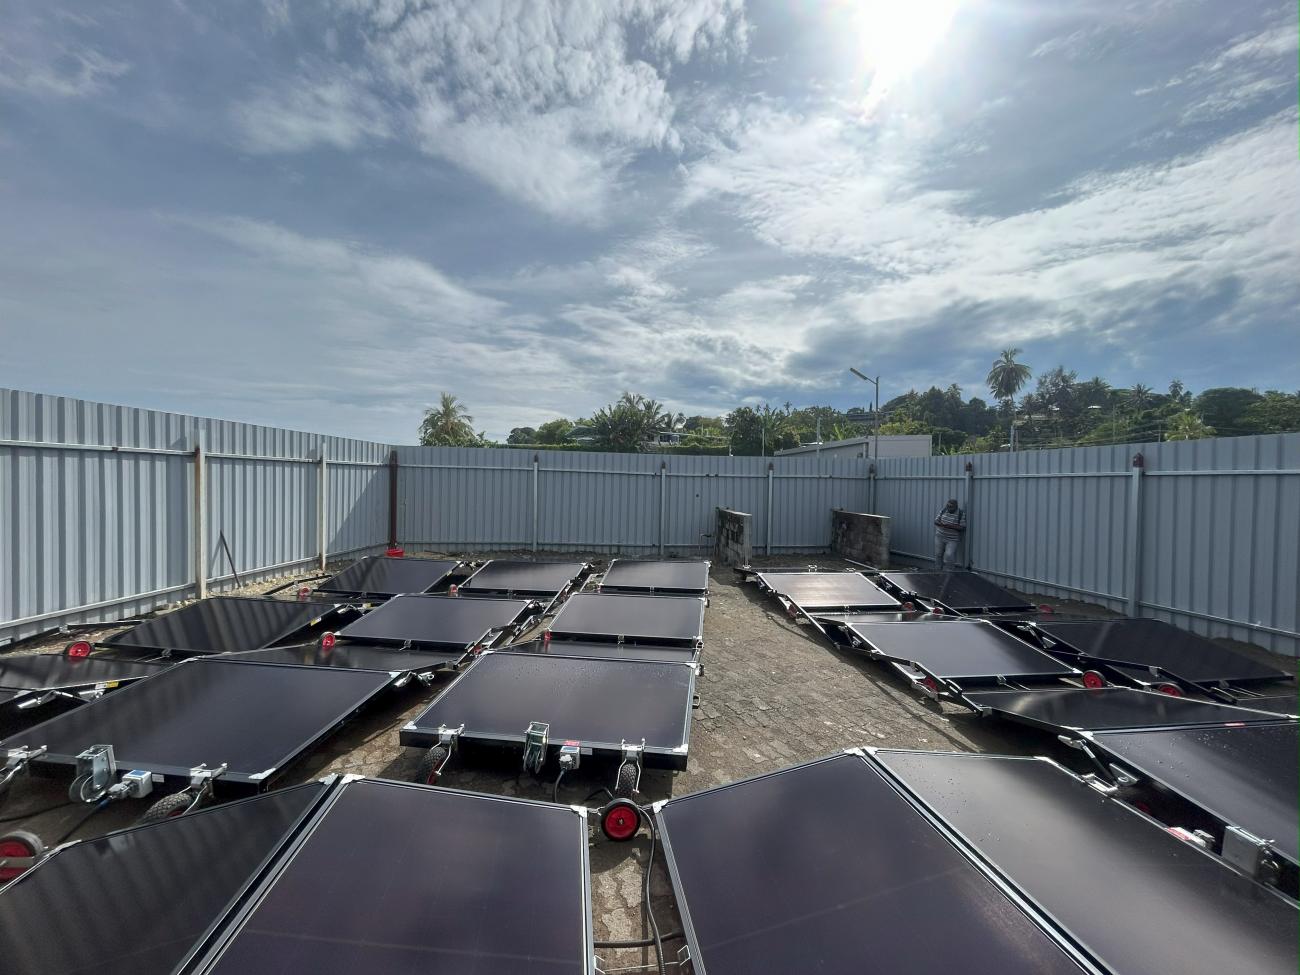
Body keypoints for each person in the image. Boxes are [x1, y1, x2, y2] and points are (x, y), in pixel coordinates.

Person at [933, 498, 965, 569]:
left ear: (956, 506)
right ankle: (938, 571)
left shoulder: (961, 513)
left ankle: (949, 572)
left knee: (949, 555)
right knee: (938, 554)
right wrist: (941, 524)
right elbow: (935, 521)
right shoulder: (943, 510)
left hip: (952, 539)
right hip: (940, 536)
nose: (949, 508)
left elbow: (962, 527)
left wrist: (950, 526)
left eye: (951, 507)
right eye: (948, 506)